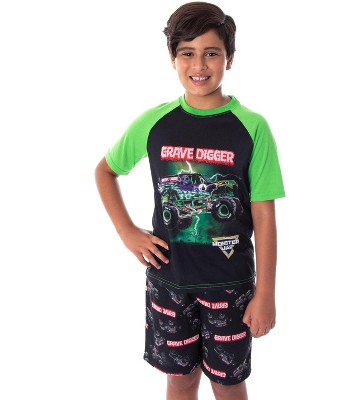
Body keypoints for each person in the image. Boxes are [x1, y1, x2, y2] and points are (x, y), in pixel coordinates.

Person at [95, 2, 285, 399]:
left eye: (211, 52)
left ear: (229, 58)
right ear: (173, 58)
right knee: (179, 380)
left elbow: (264, 217)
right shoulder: (155, 122)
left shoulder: (252, 127)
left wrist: (266, 292)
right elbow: (106, 171)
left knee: (228, 383)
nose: (199, 64)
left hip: (230, 285)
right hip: (169, 280)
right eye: (187, 52)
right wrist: (127, 231)